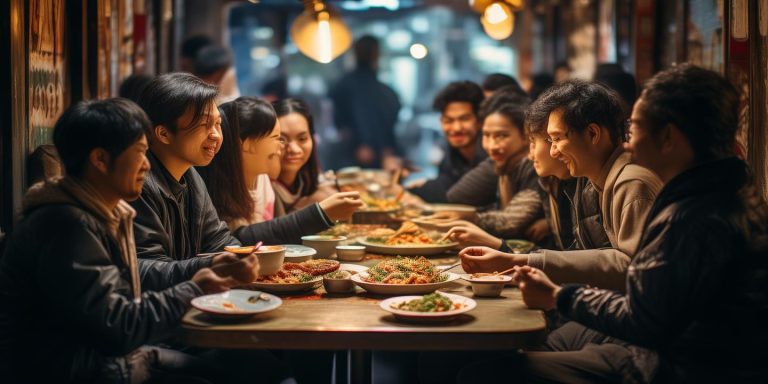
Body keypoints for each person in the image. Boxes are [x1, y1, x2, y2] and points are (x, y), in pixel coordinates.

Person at [461, 64, 768, 384]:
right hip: (667, 354)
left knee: (488, 372)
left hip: (674, 367)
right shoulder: (719, 193)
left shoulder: (692, 215)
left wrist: (558, 296)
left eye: (634, 129)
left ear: (667, 138)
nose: (628, 143)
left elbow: (642, 316)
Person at [0, 98, 275, 382]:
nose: (146, 165)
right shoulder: (66, 225)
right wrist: (195, 288)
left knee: (249, 366)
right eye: (140, 153)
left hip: (108, 358)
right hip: (74, 370)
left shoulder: (104, 212)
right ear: (100, 160)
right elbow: (117, 327)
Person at [461, 79, 662, 290]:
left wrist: (523, 262)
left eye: (556, 139)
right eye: (549, 141)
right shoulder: (599, 181)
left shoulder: (631, 184)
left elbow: (631, 268)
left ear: (593, 134)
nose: (553, 152)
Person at [132, 73, 343, 262]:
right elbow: (149, 268)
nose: (215, 134)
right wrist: (217, 265)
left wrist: (242, 261)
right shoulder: (139, 186)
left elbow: (220, 241)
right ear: (163, 134)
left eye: (217, 124)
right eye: (204, 124)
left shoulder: (191, 176)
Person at [198, 96, 361, 231]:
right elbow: (242, 241)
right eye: (279, 138)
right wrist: (320, 213)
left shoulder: (262, 183)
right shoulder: (214, 196)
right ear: (246, 144)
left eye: (303, 138)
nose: (284, 147)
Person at [408, 81, 496, 205]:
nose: (456, 128)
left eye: (464, 119)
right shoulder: (451, 152)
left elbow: (456, 196)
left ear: (479, 121)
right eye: (448, 120)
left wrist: (421, 189)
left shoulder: (491, 152)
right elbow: (445, 183)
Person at [328, 35, 401, 169]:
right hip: (361, 154)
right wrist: (382, 147)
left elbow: (339, 122)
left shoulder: (342, 85)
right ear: (377, 54)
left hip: (357, 154)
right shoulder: (386, 91)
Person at [272, 98, 340, 216]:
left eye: (302, 139)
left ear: (313, 139)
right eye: (281, 139)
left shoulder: (308, 177)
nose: (294, 149)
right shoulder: (260, 188)